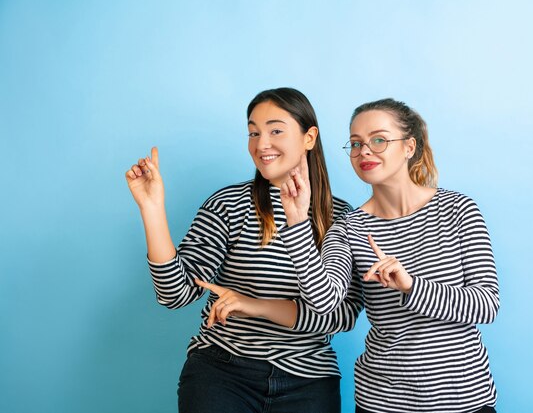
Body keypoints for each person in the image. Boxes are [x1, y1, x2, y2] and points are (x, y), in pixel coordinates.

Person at [124, 87, 363, 413]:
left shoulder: (342, 218)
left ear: (309, 137)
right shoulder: (228, 205)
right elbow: (174, 294)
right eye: (253, 132)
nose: (261, 144)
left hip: (309, 380)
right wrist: (152, 209)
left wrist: (257, 305)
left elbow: (341, 315)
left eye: (275, 130)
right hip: (222, 371)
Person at [279, 98, 499, 413]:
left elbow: (486, 305)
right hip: (383, 401)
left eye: (378, 140)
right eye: (356, 144)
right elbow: (323, 300)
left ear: (409, 147)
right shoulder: (348, 228)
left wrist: (412, 286)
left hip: (464, 400)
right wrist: (297, 220)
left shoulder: (459, 210)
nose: (364, 151)